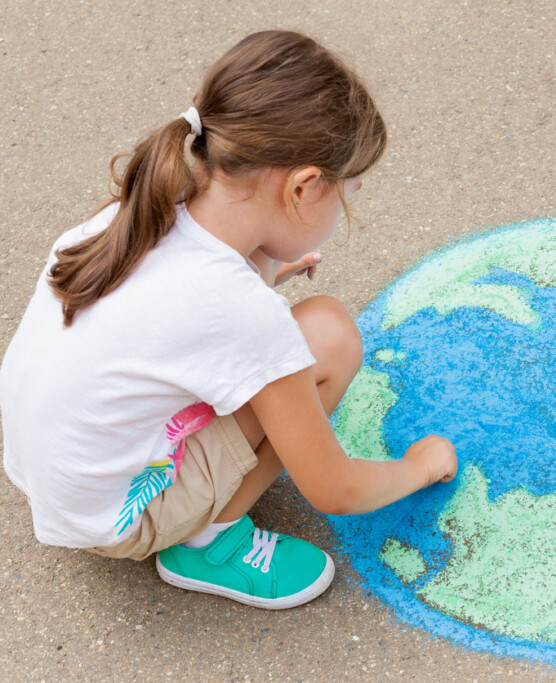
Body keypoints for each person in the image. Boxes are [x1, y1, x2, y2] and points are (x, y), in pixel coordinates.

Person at [0, 30, 457, 610]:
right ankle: (208, 542)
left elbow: (188, 312)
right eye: (349, 191)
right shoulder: (243, 313)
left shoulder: (139, 211)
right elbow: (335, 489)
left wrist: (265, 266)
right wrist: (419, 468)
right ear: (303, 187)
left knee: (280, 326)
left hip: (49, 470)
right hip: (118, 518)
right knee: (330, 337)